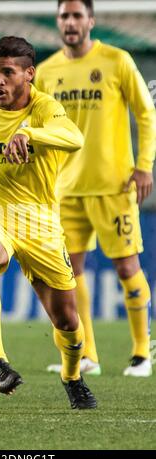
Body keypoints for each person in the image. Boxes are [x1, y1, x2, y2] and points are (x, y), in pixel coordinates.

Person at [0, 36, 97, 409]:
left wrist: (28, 133)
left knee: (66, 321)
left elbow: (74, 138)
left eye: (7, 73)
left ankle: (72, 375)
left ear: (29, 75)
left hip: (40, 222)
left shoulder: (45, 109)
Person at [35, 0, 156, 377]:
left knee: (126, 266)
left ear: (91, 20)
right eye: (64, 16)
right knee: (69, 273)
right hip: (66, 189)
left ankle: (141, 354)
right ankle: (87, 354)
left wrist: (143, 166)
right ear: (58, 22)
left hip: (113, 186)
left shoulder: (117, 61)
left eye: (76, 15)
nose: (70, 22)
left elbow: (146, 112)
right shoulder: (46, 71)